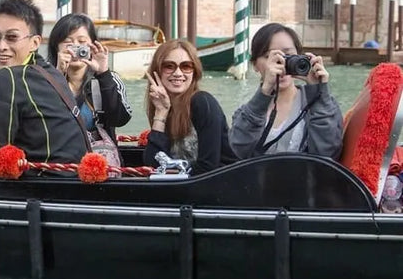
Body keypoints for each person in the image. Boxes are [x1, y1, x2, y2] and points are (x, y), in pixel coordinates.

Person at [0, 0, 89, 165]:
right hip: (72, 173)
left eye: (12, 37)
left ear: (35, 42)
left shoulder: (7, 78)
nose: (1, 46)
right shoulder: (52, 72)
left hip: (42, 179)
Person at [229, 23, 343, 160]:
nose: (280, 63)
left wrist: (319, 92)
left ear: (301, 58)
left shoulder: (324, 106)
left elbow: (328, 154)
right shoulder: (246, 113)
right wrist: (265, 91)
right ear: (255, 65)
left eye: (288, 55)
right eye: (269, 56)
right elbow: (237, 152)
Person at [144, 40, 235, 174]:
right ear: (157, 71)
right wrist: (161, 113)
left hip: (220, 185)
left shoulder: (203, 102)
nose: (178, 73)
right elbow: (153, 163)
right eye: (169, 66)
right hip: (187, 186)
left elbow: (208, 167)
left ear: (194, 72)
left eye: (186, 66)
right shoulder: (163, 108)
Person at [46, 13, 132, 141]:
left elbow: (120, 119)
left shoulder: (109, 79)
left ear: (93, 45)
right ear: (56, 46)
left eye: (82, 42)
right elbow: (41, 120)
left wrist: (103, 74)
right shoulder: (43, 79)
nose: (75, 47)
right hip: (60, 156)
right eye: (68, 42)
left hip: (98, 157)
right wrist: (57, 75)